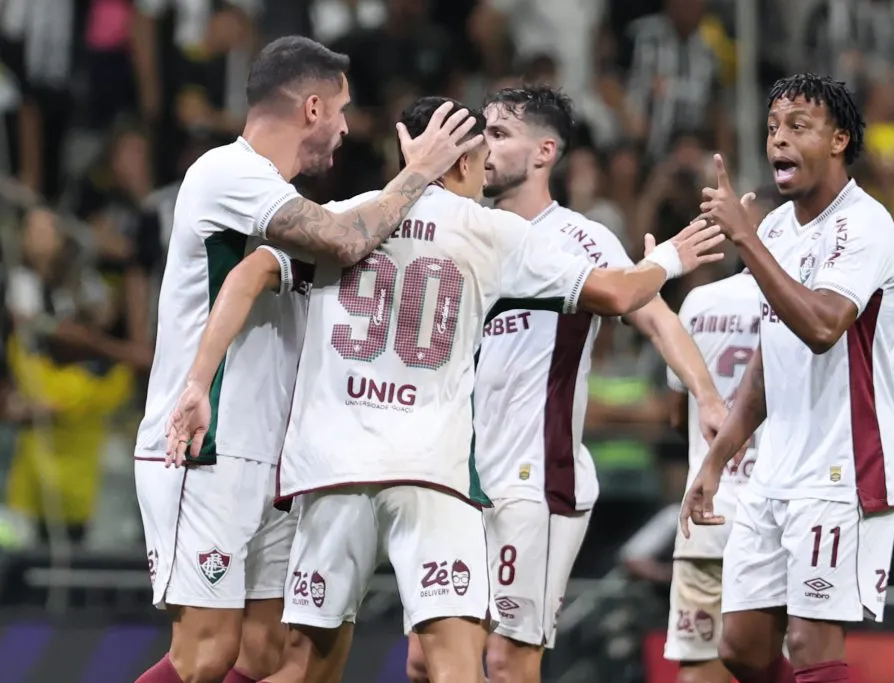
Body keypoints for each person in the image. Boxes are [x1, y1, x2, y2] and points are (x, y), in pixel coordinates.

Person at [165, 95, 725, 683]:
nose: (486, 168)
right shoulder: (493, 232)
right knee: (457, 666)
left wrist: (199, 380)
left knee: (307, 668)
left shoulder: (346, 217)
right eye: (481, 153)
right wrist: (669, 257)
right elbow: (617, 295)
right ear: (454, 160)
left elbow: (248, 272)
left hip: (332, 471)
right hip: (432, 472)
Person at [133, 36, 484, 683]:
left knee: (263, 656)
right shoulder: (227, 174)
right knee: (205, 654)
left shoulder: (283, 204)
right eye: (343, 111)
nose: (348, 128)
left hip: (271, 458)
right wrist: (421, 171)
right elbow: (346, 239)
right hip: (203, 445)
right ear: (313, 107)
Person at [407, 84, 729, 683]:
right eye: (482, 132)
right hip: (453, 476)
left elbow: (657, 319)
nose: (484, 145)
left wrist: (706, 396)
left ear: (544, 151)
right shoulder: (464, 228)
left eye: (500, 134)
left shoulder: (581, 239)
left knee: (506, 662)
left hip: (534, 478)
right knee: (427, 660)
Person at [681, 73, 894, 683]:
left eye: (798, 127)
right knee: (743, 648)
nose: (778, 140)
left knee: (809, 644)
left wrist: (745, 239)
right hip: (775, 466)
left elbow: (823, 326)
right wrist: (720, 456)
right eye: (773, 128)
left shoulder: (866, 226)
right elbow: (770, 355)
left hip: (843, 465)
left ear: (838, 140)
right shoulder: (779, 229)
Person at [663, 267, 763, 683]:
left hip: (706, 512)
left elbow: (674, 413)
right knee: (776, 661)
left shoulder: (700, 301)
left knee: (699, 662)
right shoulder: (810, 304)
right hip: (774, 516)